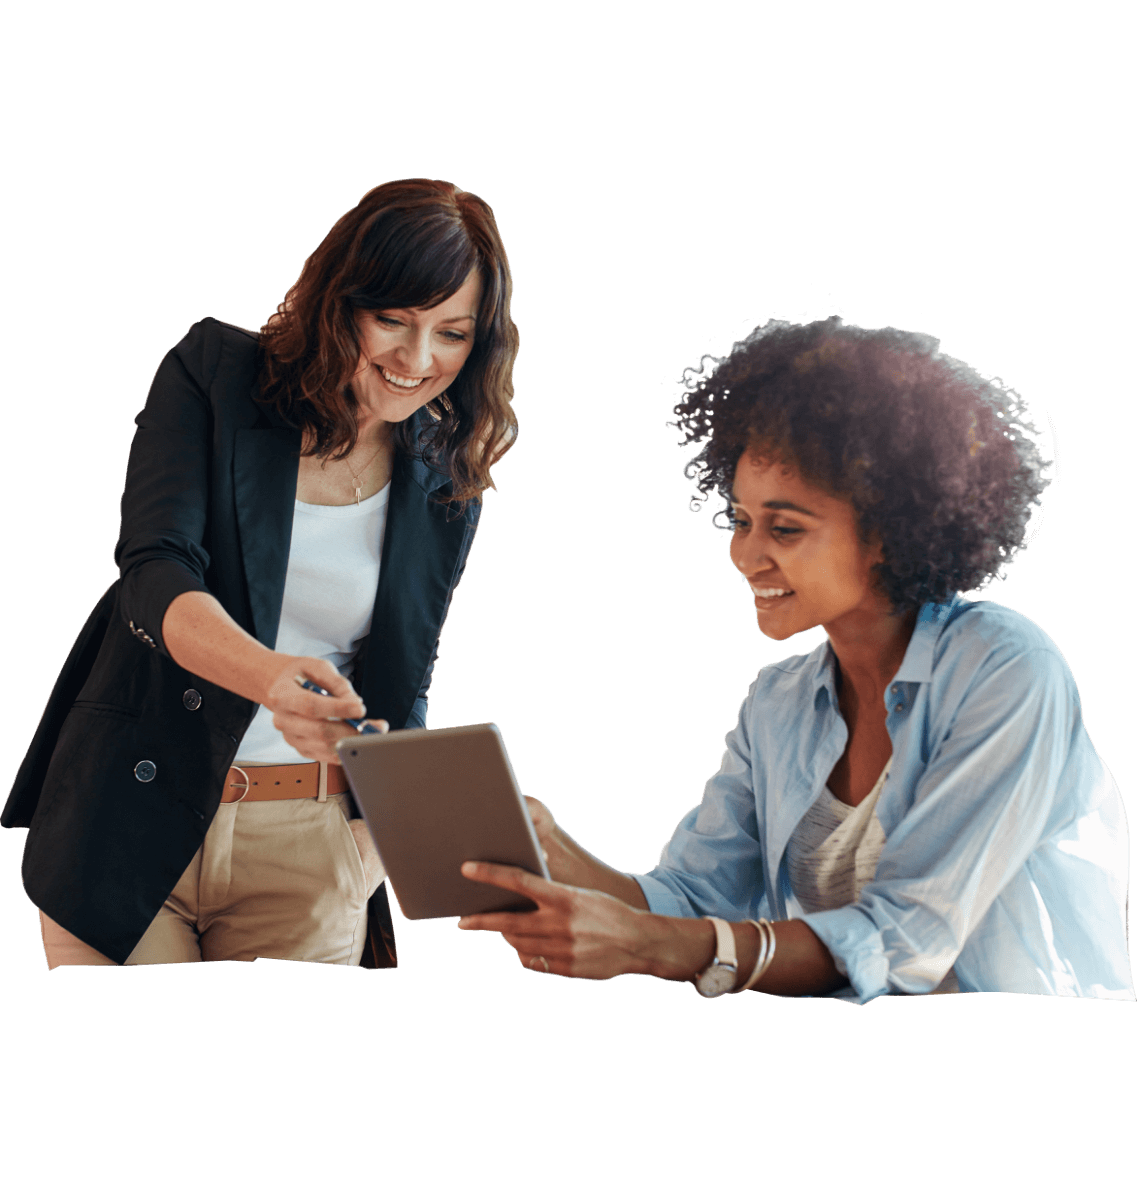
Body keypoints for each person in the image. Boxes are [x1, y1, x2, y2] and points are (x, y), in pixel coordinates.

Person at [457, 319, 1134, 1002]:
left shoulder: (1005, 669)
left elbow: (905, 941)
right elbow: (693, 904)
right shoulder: (780, 700)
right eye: (740, 520)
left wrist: (652, 947)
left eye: (784, 528)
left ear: (886, 532)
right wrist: (552, 849)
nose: (745, 556)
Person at [3, 178, 519, 968]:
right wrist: (271, 677)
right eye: (392, 320)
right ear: (340, 300)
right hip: (130, 818)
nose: (418, 361)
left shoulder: (444, 478)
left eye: (451, 333)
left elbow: (401, 675)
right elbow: (155, 571)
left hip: (310, 849)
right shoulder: (216, 374)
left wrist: (372, 848)